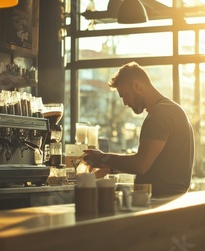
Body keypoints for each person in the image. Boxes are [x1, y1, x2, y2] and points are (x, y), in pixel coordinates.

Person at [82, 61, 195, 198]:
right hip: (169, 199)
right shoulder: (170, 109)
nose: (124, 103)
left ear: (137, 86)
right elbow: (153, 162)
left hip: (161, 201)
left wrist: (103, 157)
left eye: (124, 95)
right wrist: (108, 165)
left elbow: (141, 164)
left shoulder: (160, 115)